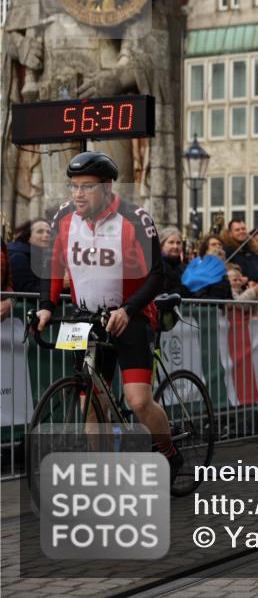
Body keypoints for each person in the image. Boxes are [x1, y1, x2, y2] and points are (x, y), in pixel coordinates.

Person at [34, 152, 182, 482]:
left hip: (131, 316)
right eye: (74, 187)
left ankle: (169, 452)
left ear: (107, 187)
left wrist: (128, 310)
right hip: (87, 317)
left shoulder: (135, 218)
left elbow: (156, 275)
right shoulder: (64, 217)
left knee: (138, 401)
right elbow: (53, 265)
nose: (78, 194)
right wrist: (46, 305)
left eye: (86, 187)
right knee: (91, 397)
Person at [181, 235, 231, 300]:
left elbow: (228, 294)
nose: (218, 247)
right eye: (213, 245)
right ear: (206, 252)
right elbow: (199, 296)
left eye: (220, 245)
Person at [8, 218, 50, 293]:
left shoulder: (45, 258)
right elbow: (26, 290)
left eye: (49, 232)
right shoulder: (19, 257)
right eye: (40, 231)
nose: (46, 235)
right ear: (29, 238)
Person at [225, 219, 258, 284]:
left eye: (243, 229)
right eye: (237, 230)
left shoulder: (251, 247)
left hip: (256, 287)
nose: (241, 231)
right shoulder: (227, 250)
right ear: (230, 233)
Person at [160, 227, 187, 296]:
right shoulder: (156, 266)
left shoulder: (185, 268)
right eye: (171, 242)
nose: (175, 246)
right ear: (162, 245)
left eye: (178, 243)